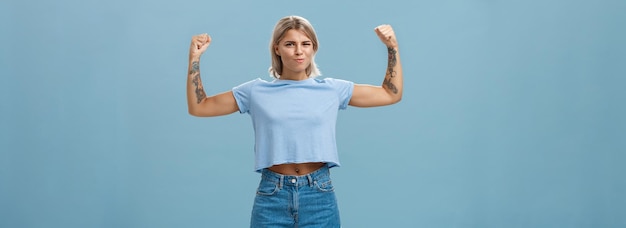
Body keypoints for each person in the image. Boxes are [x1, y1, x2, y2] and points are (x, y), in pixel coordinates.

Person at [186, 15, 403, 228]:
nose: (299, 51)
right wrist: (194, 59)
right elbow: (200, 106)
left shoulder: (332, 89)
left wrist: (392, 47)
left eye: (305, 44)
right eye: (290, 44)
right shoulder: (255, 91)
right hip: (272, 195)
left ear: (313, 48)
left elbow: (390, 94)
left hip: (319, 194)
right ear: (277, 48)